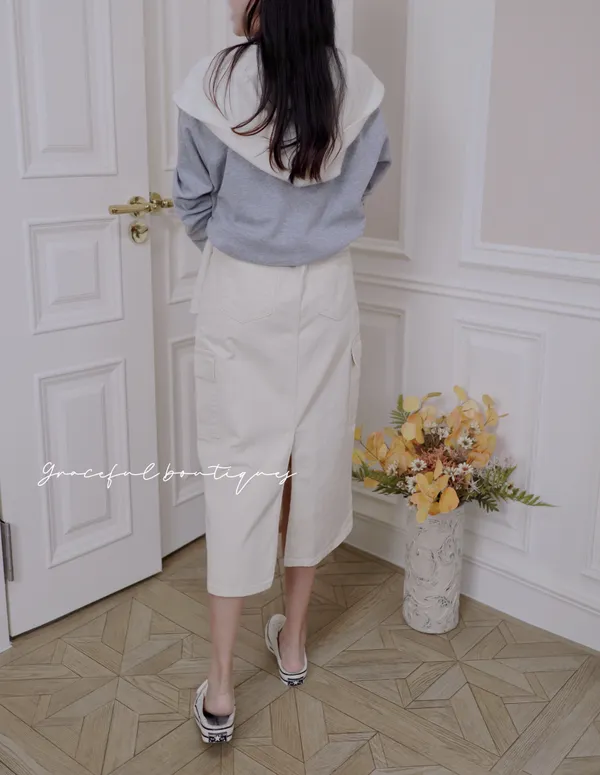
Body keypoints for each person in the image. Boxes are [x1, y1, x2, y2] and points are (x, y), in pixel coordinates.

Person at [172, 0, 391, 745]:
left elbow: (192, 197)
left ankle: (222, 686)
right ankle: (292, 644)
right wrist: (313, 226)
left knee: (240, 469)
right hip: (327, 288)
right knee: (315, 460)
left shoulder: (214, 82)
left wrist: (246, 238)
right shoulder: (354, 83)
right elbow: (370, 172)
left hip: (241, 289)